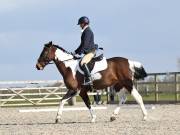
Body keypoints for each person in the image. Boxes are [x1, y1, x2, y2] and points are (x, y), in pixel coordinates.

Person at [73, 16, 98, 85]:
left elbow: (85, 44)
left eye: (80, 24)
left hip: (90, 52)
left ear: (83, 23)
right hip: (88, 52)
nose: (80, 26)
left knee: (83, 62)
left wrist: (79, 53)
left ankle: (88, 79)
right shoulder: (86, 31)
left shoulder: (87, 31)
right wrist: (75, 52)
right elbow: (82, 45)